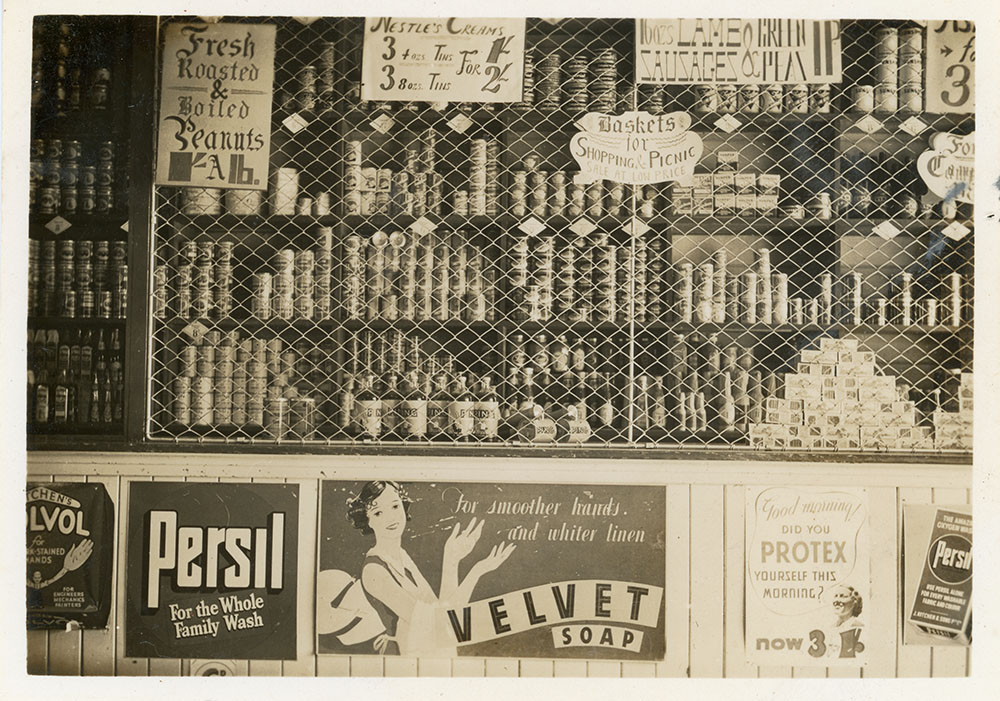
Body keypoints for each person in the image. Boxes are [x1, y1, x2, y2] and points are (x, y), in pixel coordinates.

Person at [347, 480, 515, 657]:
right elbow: (440, 623)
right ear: (368, 521)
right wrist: (476, 571)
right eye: (378, 512)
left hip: (431, 653)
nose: (391, 518)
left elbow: (443, 609)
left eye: (395, 506)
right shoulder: (374, 570)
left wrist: (451, 559)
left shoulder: (402, 556)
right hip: (408, 660)